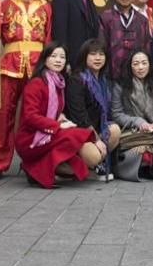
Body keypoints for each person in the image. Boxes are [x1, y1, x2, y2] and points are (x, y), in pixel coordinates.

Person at [0, 0, 52, 180]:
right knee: (2, 113)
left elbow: (49, 38)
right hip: (10, 64)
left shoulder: (46, 6)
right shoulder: (4, 4)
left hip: (36, 66)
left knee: (33, 115)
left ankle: (32, 159)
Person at [15, 44, 101, 189]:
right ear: (45, 59)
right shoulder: (36, 83)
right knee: (75, 135)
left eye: (62, 57)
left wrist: (60, 117)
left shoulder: (58, 82)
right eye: (53, 56)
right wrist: (57, 125)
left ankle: (35, 169)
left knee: (77, 169)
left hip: (48, 131)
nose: (58, 60)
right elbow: (30, 116)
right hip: (30, 137)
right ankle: (35, 166)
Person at [111, 50, 153, 181]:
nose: (140, 67)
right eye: (136, 64)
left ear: (149, 64)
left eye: (144, 63)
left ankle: (151, 165)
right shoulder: (121, 85)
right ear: (130, 66)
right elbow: (116, 114)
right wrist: (138, 122)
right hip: (132, 129)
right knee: (141, 151)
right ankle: (144, 165)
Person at [65, 39, 121, 182]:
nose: (98, 58)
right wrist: (96, 139)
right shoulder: (77, 80)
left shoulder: (103, 80)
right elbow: (79, 116)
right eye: (93, 54)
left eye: (101, 54)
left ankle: (95, 166)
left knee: (115, 130)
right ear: (84, 56)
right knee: (94, 155)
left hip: (97, 128)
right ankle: (86, 168)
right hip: (80, 132)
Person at [99, 0, 151, 79]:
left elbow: (147, 47)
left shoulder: (142, 20)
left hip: (136, 75)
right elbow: (101, 45)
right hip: (111, 74)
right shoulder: (105, 17)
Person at [52, 0, 99, 69]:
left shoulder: (89, 0)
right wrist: (64, 59)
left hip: (88, 61)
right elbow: (59, 31)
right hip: (71, 60)